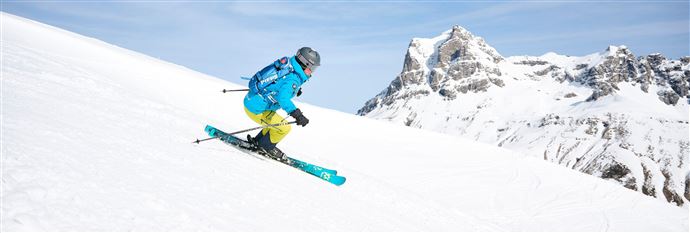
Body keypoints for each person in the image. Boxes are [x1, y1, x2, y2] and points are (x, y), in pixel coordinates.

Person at [243, 47, 320, 161]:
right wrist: (297, 114)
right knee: (284, 128)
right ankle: (266, 147)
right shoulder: (293, 79)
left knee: (274, 125)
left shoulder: (289, 67)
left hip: (253, 100)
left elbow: (278, 83)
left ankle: (258, 142)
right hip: (256, 109)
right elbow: (283, 99)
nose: (312, 71)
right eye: (312, 68)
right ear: (305, 64)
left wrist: (294, 90)